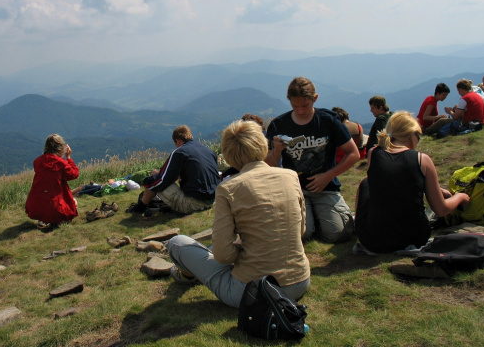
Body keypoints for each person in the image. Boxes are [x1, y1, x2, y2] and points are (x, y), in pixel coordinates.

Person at [166, 120, 310, 307]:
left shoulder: (228, 188)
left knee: (176, 243)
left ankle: (185, 275)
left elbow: (224, 256)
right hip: (299, 282)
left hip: (251, 292)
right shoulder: (290, 176)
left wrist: (244, 250)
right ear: (262, 143)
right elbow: (300, 230)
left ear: (228, 153)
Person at [354, 112, 470, 253]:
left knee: (366, 183)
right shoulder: (422, 159)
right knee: (367, 183)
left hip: (374, 240)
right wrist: (460, 197)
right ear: (412, 134)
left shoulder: (374, 153)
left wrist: (436, 189)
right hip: (415, 237)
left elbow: (389, 181)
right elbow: (441, 209)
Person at [265, 77, 359, 243]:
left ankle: (321, 218)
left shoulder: (328, 120)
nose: (300, 111)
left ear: (315, 98)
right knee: (302, 235)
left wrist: (328, 176)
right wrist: (277, 152)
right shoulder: (278, 125)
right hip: (295, 190)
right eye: (295, 106)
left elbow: (353, 153)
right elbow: (267, 165)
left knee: (339, 234)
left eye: (305, 105)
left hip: (326, 187)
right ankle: (315, 220)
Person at [129, 125, 221, 214]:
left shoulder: (180, 152)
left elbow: (161, 179)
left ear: (177, 141)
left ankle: (140, 208)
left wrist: (147, 182)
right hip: (213, 199)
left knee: (155, 176)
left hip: (193, 204)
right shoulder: (207, 150)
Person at [25, 134, 80, 228]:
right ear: (60, 148)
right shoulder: (61, 163)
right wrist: (69, 158)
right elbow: (74, 174)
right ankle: (57, 219)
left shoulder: (37, 161)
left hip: (36, 206)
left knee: (46, 200)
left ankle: (44, 219)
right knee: (74, 202)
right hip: (56, 206)